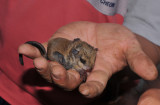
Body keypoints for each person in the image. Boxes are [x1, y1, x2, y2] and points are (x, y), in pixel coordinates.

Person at [0, 0, 160, 105]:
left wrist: (124, 52)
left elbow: (149, 28)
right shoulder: (72, 55)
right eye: (84, 63)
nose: (88, 67)